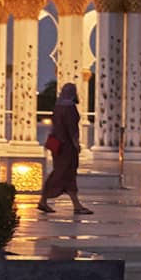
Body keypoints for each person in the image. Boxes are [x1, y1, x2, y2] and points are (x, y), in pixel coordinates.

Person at [37, 82, 92, 216]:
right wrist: (76, 143)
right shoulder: (70, 109)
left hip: (57, 145)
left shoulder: (58, 107)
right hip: (67, 146)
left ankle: (76, 205)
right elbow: (71, 128)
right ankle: (44, 200)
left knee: (64, 173)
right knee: (63, 173)